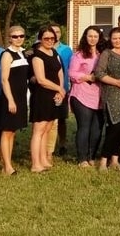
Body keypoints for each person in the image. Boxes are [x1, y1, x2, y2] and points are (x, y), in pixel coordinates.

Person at [68, 26, 106, 167]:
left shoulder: (102, 54)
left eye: (95, 36)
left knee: (97, 129)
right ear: (85, 37)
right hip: (81, 94)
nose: (92, 39)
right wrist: (87, 77)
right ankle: (82, 158)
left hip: (99, 96)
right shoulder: (79, 55)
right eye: (90, 36)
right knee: (84, 127)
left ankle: (91, 156)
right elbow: (72, 74)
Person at [29, 26, 65, 173]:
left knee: (48, 128)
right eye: (46, 38)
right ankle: (35, 164)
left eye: (52, 38)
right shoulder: (37, 56)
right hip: (42, 96)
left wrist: (60, 91)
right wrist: (58, 88)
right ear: (40, 39)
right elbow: (41, 79)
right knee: (39, 129)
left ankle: (43, 159)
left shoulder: (54, 52)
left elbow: (60, 71)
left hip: (54, 95)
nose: (50, 41)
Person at [95, 27, 120, 172]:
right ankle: (103, 161)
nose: (117, 41)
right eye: (114, 38)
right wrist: (116, 82)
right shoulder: (107, 54)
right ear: (110, 39)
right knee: (114, 128)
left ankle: (115, 160)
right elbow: (99, 73)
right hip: (111, 93)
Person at [0, 26, 29, 176]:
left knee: (12, 131)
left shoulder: (23, 53)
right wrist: (10, 100)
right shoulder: (7, 55)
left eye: (21, 36)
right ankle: (8, 166)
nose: (18, 38)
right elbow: (4, 79)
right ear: (9, 38)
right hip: (10, 97)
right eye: (15, 36)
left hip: (21, 97)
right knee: (7, 131)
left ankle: (7, 163)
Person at [49, 24, 73, 159]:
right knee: (49, 119)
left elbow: (70, 69)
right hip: (47, 89)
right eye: (52, 32)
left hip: (63, 88)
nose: (55, 34)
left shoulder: (66, 50)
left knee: (62, 118)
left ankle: (62, 143)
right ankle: (48, 146)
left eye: (57, 31)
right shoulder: (42, 48)